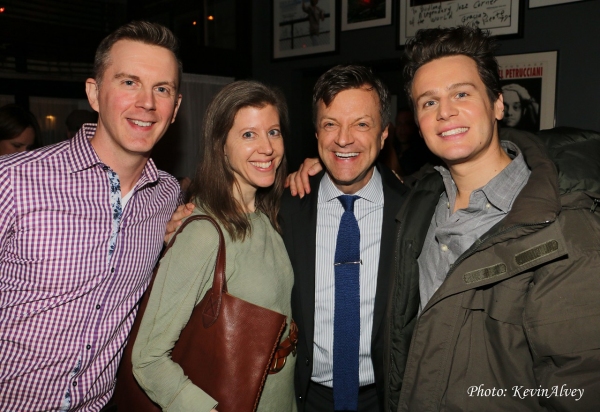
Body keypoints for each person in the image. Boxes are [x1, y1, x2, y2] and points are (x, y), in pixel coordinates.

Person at [385, 26, 600, 411]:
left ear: (498, 105)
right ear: (417, 123)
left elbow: (579, 388)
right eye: (428, 102)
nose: (445, 111)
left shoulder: (567, 227)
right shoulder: (418, 203)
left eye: (461, 94)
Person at [0, 21, 182, 411]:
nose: (147, 102)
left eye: (162, 89)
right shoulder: (13, 180)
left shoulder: (167, 196)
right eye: (129, 82)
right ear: (94, 93)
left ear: (176, 108)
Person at [131, 80, 296, 411]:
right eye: (248, 134)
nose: (267, 147)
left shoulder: (265, 219)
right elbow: (147, 358)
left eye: (273, 132)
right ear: (221, 145)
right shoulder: (204, 234)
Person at [279, 65, 408, 412]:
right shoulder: (285, 210)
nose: (344, 138)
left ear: (383, 136)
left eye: (361, 124)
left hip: (386, 398)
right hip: (305, 397)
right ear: (317, 134)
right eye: (330, 124)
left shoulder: (415, 212)